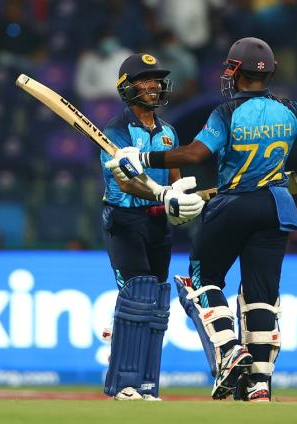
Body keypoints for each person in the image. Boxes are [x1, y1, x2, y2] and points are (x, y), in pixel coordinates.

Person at [106, 37, 297, 402]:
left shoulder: (226, 113)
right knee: (261, 296)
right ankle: (259, 384)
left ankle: (230, 348)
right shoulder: (290, 108)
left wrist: (145, 159)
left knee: (201, 281)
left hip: (234, 204)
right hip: (278, 207)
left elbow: (194, 153)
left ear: (235, 71)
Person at [99, 53, 204, 401]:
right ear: (127, 87)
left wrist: (183, 201)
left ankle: (146, 383)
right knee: (138, 297)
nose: (155, 85)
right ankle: (123, 384)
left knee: (157, 303)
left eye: (157, 79)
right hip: (125, 221)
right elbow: (127, 182)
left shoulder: (169, 132)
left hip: (158, 224)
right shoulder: (114, 132)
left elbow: (177, 182)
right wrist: (163, 194)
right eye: (146, 79)